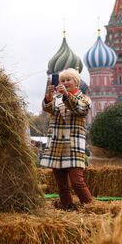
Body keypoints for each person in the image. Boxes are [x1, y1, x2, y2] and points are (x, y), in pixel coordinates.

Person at [40, 68, 93, 210]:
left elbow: (80, 109)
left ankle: (91, 207)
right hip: (57, 145)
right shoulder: (57, 98)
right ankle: (68, 208)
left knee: (77, 181)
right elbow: (48, 109)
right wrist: (49, 97)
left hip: (73, 144)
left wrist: (66, 95)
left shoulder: (84, 99)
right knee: (62, 185)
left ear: (76, 82)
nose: (65, 82)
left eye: (68, 80)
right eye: (62, 80)